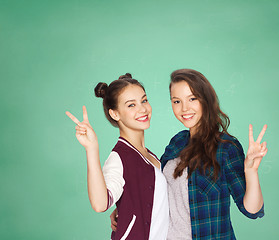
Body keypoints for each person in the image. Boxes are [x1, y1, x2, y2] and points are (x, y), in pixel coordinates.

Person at [111, 69, 268, 239]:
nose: (185, 108)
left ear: (205, 100)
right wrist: (124, 207)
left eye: (192, 99)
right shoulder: (177, 142)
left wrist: (251, 172)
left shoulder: (225, 148)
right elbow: (156, 187)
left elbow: (252, 210)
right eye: (177, 101)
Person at [66, 73, 169, 240]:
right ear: (115, 114)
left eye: (144, 100)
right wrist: (91, 148)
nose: (142, 109)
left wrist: (125, 208)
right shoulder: (119, 157)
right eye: (131, 105)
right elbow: (100, 204)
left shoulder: (151, 156)